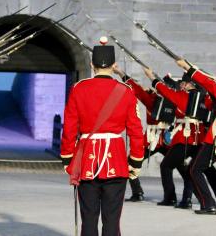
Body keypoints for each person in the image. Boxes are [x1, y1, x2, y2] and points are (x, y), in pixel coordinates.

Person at [60, 40, 144, 236]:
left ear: (92, 65)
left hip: (86, 159)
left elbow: (70, 127)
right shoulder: (125, 90)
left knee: (88, 219)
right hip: (115, 159)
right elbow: (135, 131)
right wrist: (135, 161)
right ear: (114, 66)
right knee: (112, 221)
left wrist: (67, 157)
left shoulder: (79, 89)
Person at [143, 68, 205, 208]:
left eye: (185, 83)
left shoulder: (186, 96)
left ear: (191, 84)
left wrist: (153, 78)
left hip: (185, 138)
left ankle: (171, 198)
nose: (182, 85)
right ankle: (187, 199)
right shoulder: (201, 97)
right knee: (190, 169)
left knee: (166, 166)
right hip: (198, 138)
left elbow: (167, 92)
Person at [113, 66, 176, 203]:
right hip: (163, 137)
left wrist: (120, 73)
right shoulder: (170, 99)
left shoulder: (152, 99)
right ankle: (176, 197)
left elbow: (135, 88)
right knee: (184, 168)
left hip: (156, 136)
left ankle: (138, 192)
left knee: (130, 163)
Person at [176, 59, 216, 215]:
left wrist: (188, 67)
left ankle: (209, 205)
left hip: (215, 138)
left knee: (195, 169)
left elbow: (209, 84)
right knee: (200, 167)